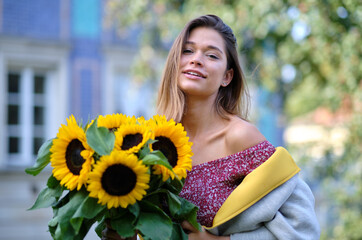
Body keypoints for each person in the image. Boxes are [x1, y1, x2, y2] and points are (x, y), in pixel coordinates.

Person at [104, 14, 320, 240]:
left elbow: (303, 228)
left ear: (227, 77)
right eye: (188, 51)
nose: (196, 59)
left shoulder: (239, 137)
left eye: (211, 55)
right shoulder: (152, 143)